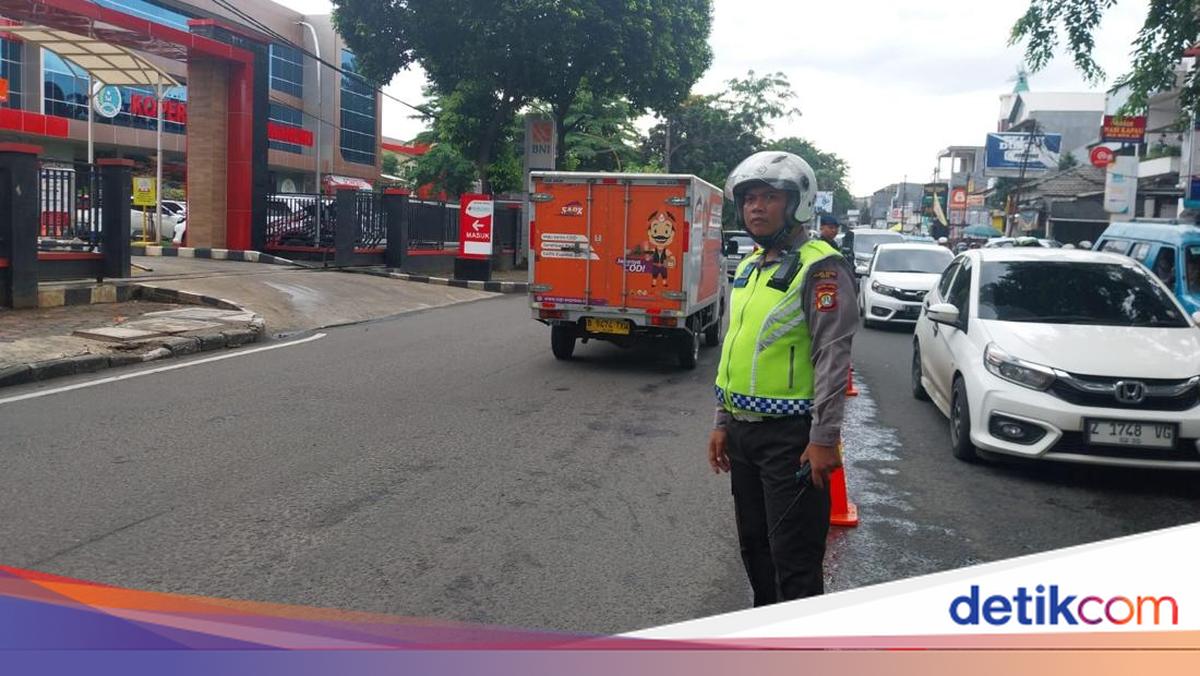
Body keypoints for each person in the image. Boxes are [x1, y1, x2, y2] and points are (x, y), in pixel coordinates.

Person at [707, 151, 858, 606]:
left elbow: (833, 355)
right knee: (755, 548)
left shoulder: (822, 267)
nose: (756, 207)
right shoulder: (752, 266)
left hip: (791, 439)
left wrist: (825, 437)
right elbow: (736, 346)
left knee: (793, 557)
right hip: (742, 432)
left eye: (770, 197)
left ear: (798, 203)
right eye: (749, 197)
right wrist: (721, 422)